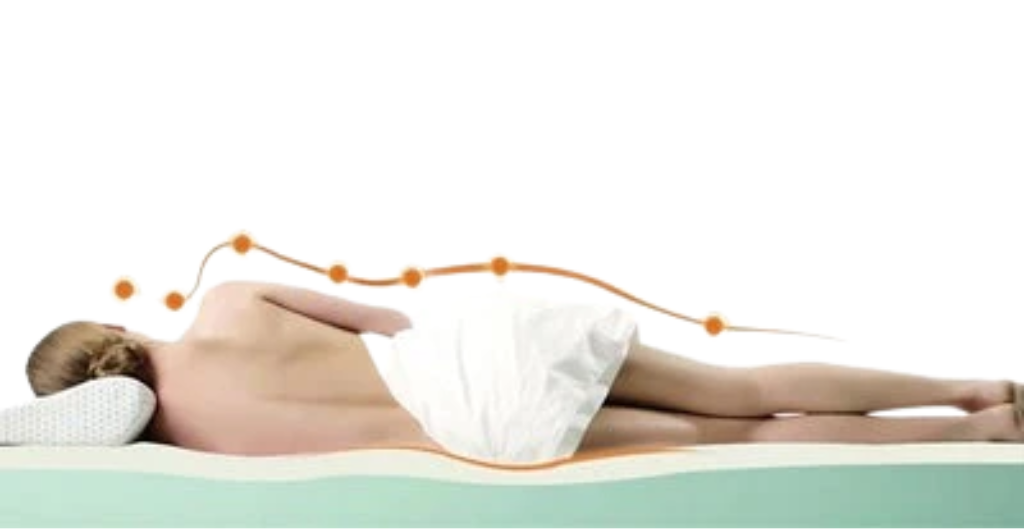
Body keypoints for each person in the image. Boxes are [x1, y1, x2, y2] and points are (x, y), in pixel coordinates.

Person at [24, 280, 1024, 462]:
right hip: (484, 351)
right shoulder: (230, 301)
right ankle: (975, 388)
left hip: (485, 423)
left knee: (742, 437)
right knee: (748, 387)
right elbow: (390, 318)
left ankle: (981, 435)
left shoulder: (193, 443)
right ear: (111, 326)